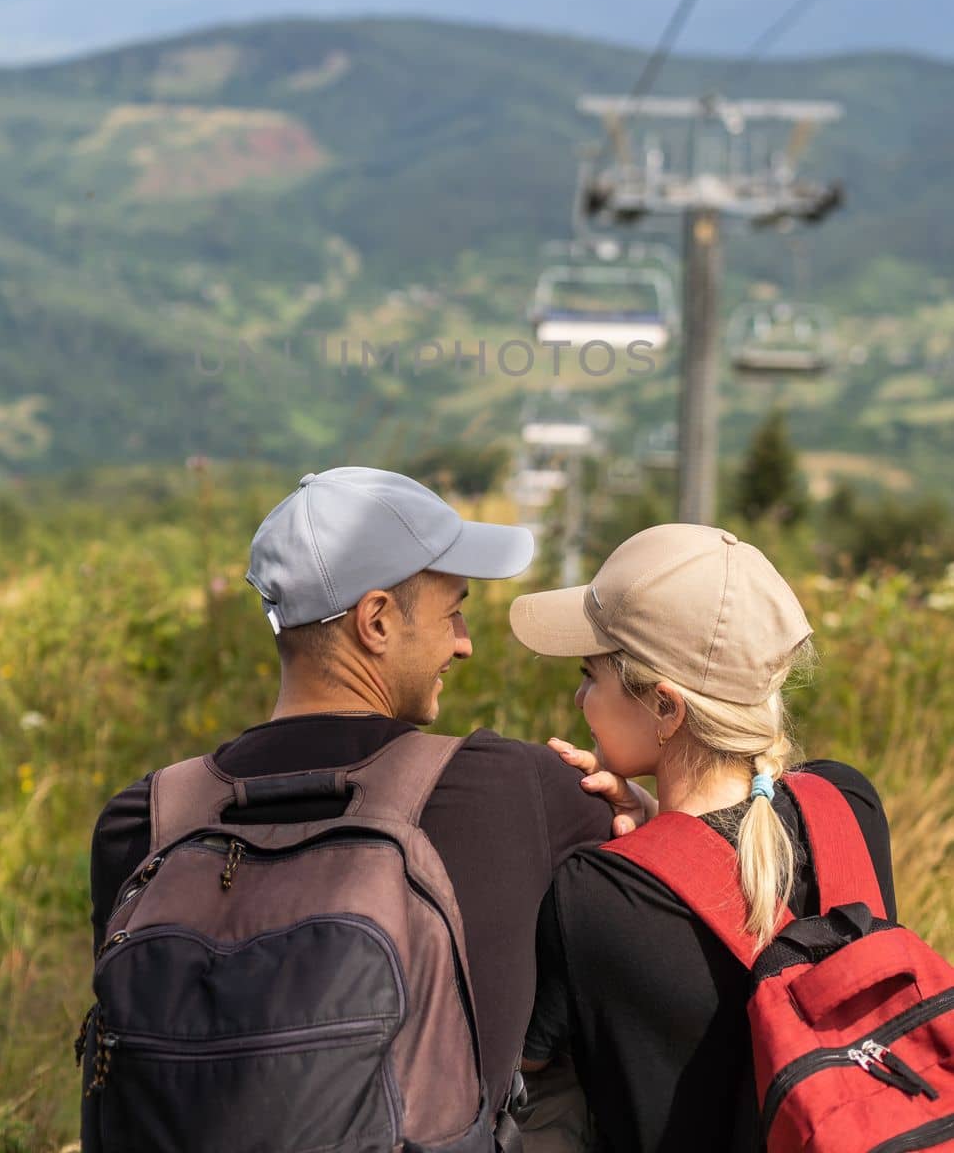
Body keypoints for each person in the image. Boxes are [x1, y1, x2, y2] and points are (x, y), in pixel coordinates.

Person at [89, 466, 635, 1120]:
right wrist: (642, 814)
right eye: (453, 611)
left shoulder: (142, 820)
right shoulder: (523, 791)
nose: (463, 645)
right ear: (375, 621)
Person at [509, 523, 896, 1153]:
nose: (579, 697)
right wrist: (660, 816)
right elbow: (749, 840)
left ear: (667, 708)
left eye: (589, 675)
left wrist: (653, 842)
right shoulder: (848, 803)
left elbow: (519, 1073)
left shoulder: (595, 894)